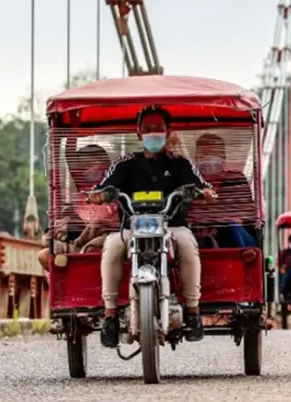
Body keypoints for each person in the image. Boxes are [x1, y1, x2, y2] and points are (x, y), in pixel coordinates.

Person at [88, 105, 217, 347]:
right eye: (147, 130)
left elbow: (202, 185)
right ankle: (110, 316)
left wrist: (206, 192)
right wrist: (97, 194)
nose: (153, 134)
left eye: (158, 129)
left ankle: (193, 311)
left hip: (173, 227)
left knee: (189, 246)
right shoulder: (125, 164)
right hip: (131, 228)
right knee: (111, 246)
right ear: (138, 134)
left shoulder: (181, 163)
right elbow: (103, 187)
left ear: (168, 132)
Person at [37, 143, 113, 272]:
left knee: (93, 246)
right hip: (79, 244)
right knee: (44, 254)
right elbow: (69, 156)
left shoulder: (114, 189)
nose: (88, 170)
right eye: (83, 167)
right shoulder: (81, 190)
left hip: (106, 241)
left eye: (92, 165)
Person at [192, 133, 256, 248]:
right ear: (196, 158)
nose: (209, 158)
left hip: (237, 237)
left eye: (213, 154)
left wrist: (214, 211)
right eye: (204, 154)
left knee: (229, 227)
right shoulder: (192, 185)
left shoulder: (237, 181)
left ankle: (238, 262)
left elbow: (244, 218)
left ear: (223, 157)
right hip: (200, 240)